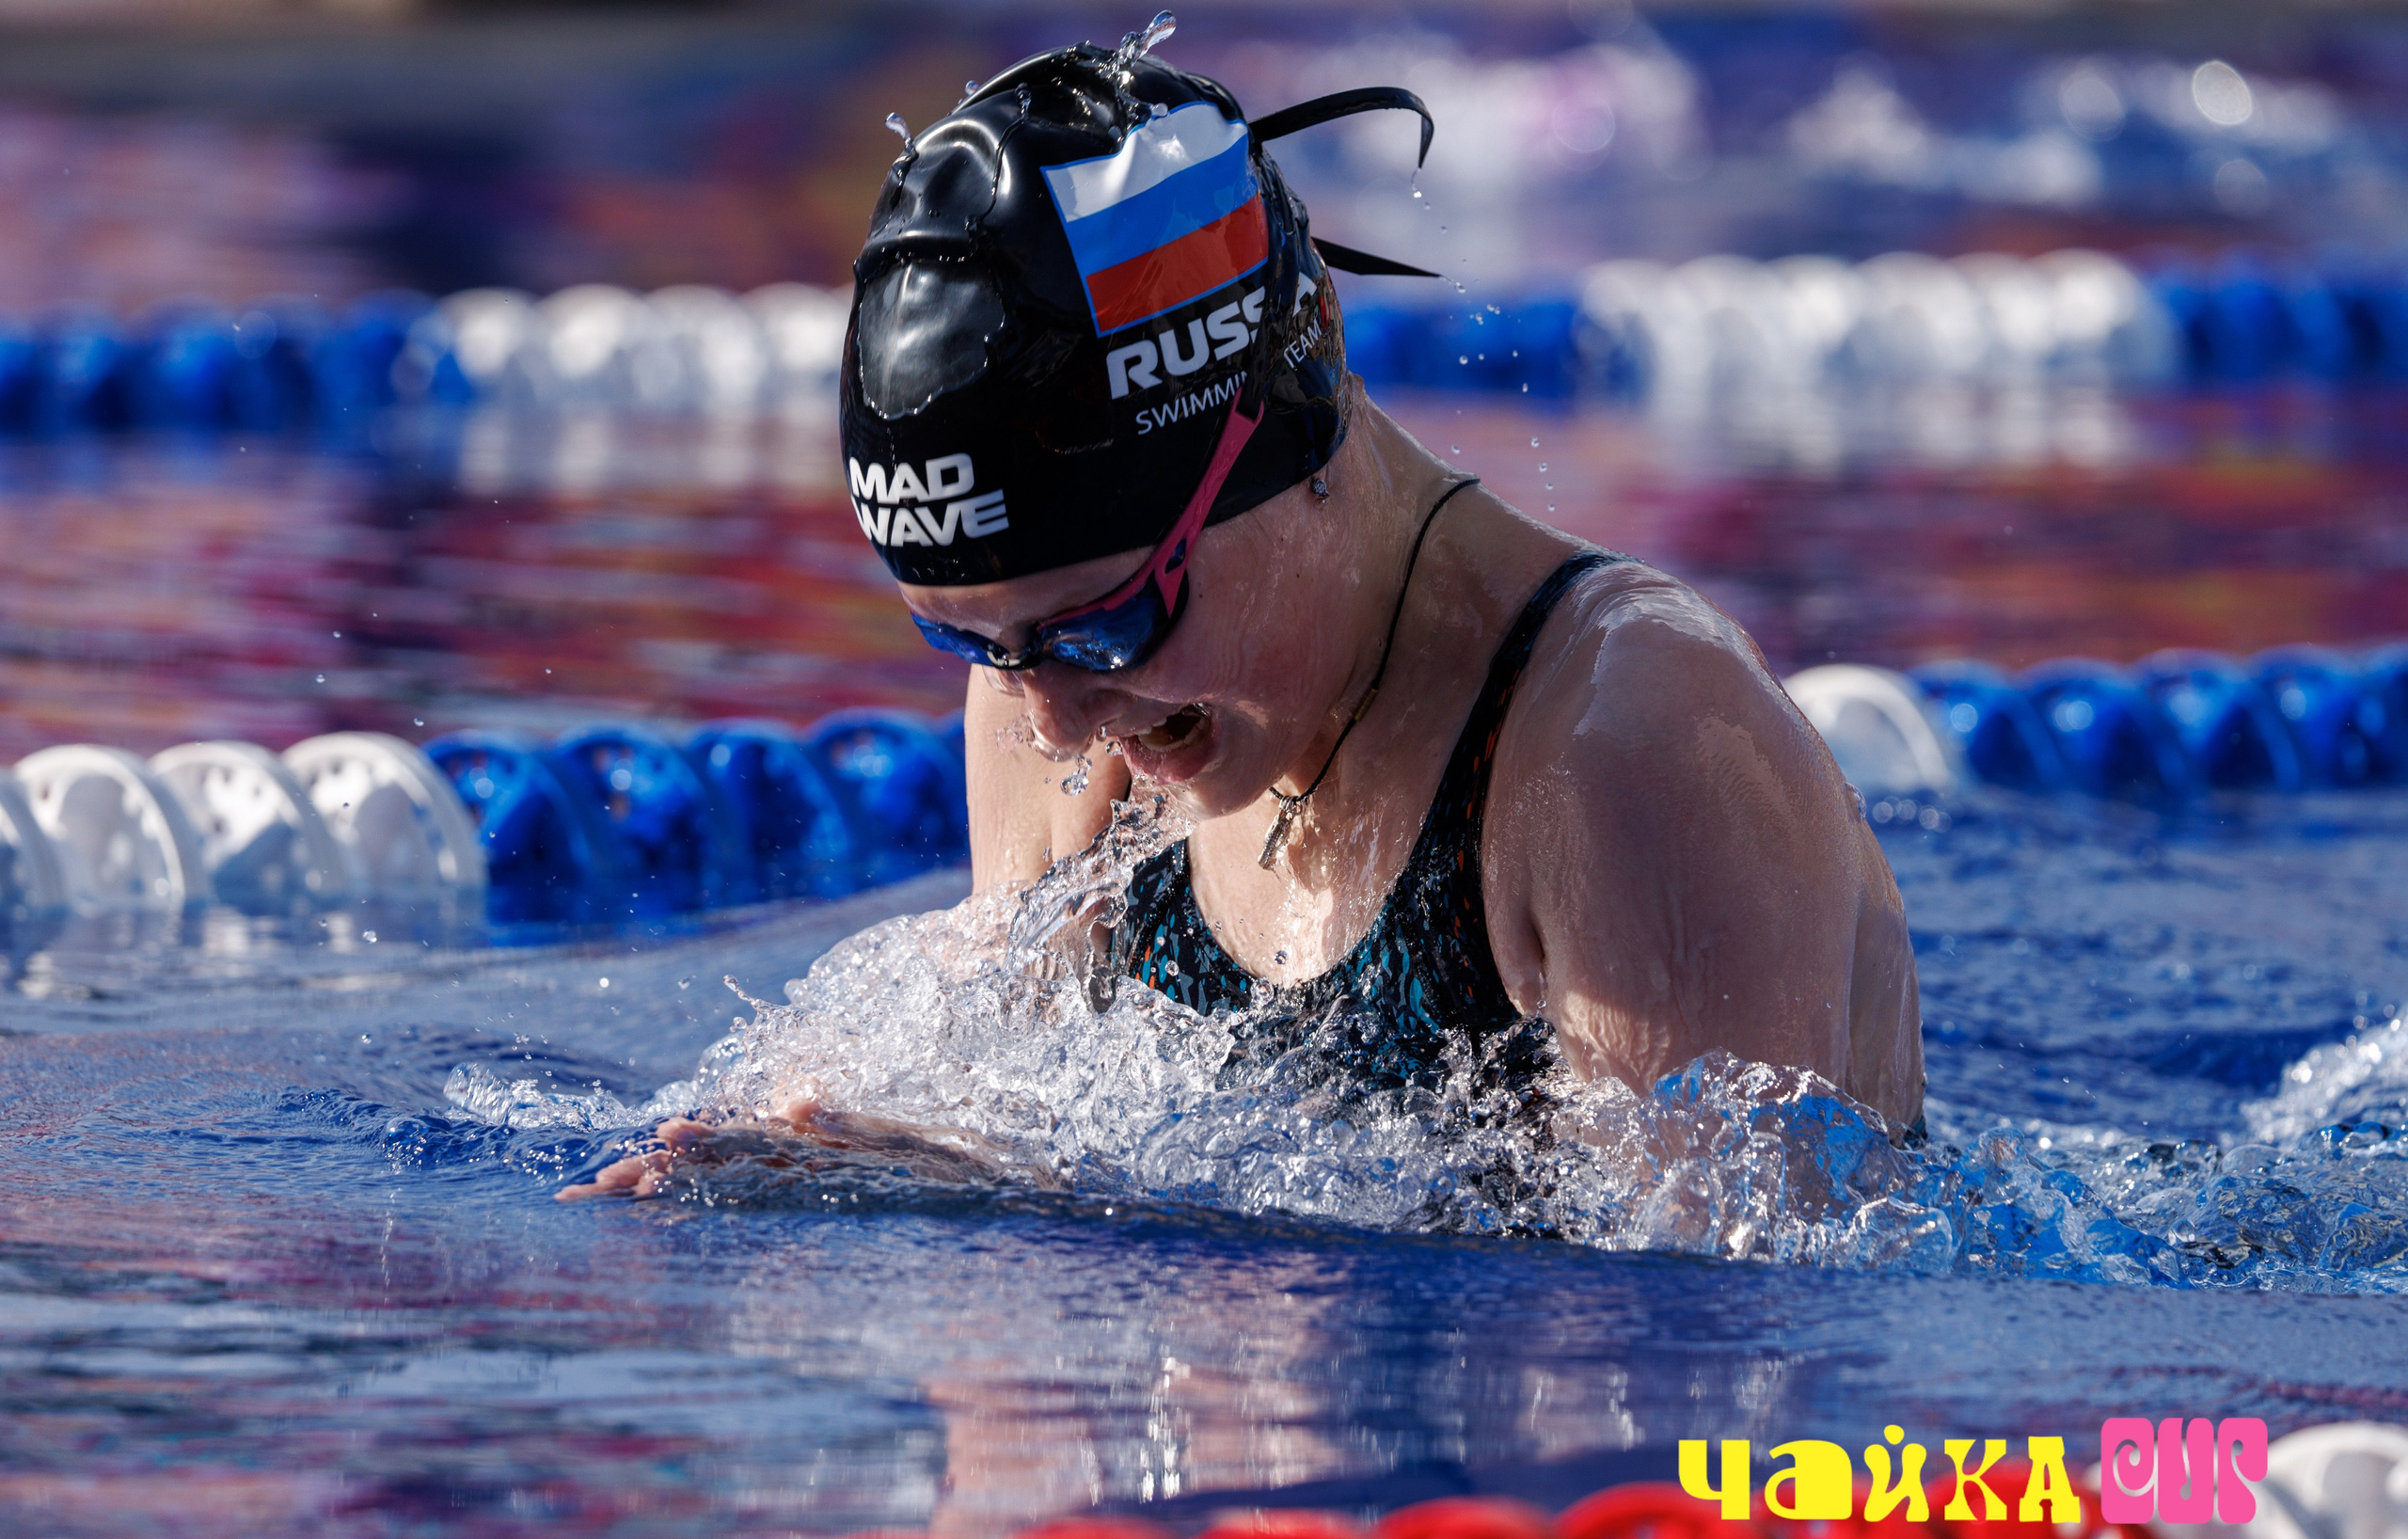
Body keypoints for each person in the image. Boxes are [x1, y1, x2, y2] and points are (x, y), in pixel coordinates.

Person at [563, 35, 1920, 1202]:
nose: (1048, 716)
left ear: (1298, 403)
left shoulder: (1628, 759)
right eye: (975, 641)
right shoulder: (1058, 700)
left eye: (1107, 621)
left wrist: (1020, 1210)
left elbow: (1698, 1376)